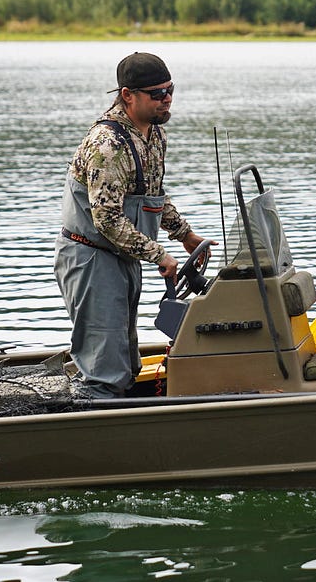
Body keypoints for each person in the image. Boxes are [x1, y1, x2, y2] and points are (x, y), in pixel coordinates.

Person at [54, 52, 210, 398]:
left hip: (124, 256)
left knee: (126, 357)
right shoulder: (107, 146)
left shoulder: (154, 135)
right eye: (156, 94)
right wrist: (159, 255)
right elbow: (107, 219)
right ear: (128, 95)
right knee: (104, 367)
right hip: (91, 257)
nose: (166, 99)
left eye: (170, 90)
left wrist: (184, 234)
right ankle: (96, 422)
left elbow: (153, 195)